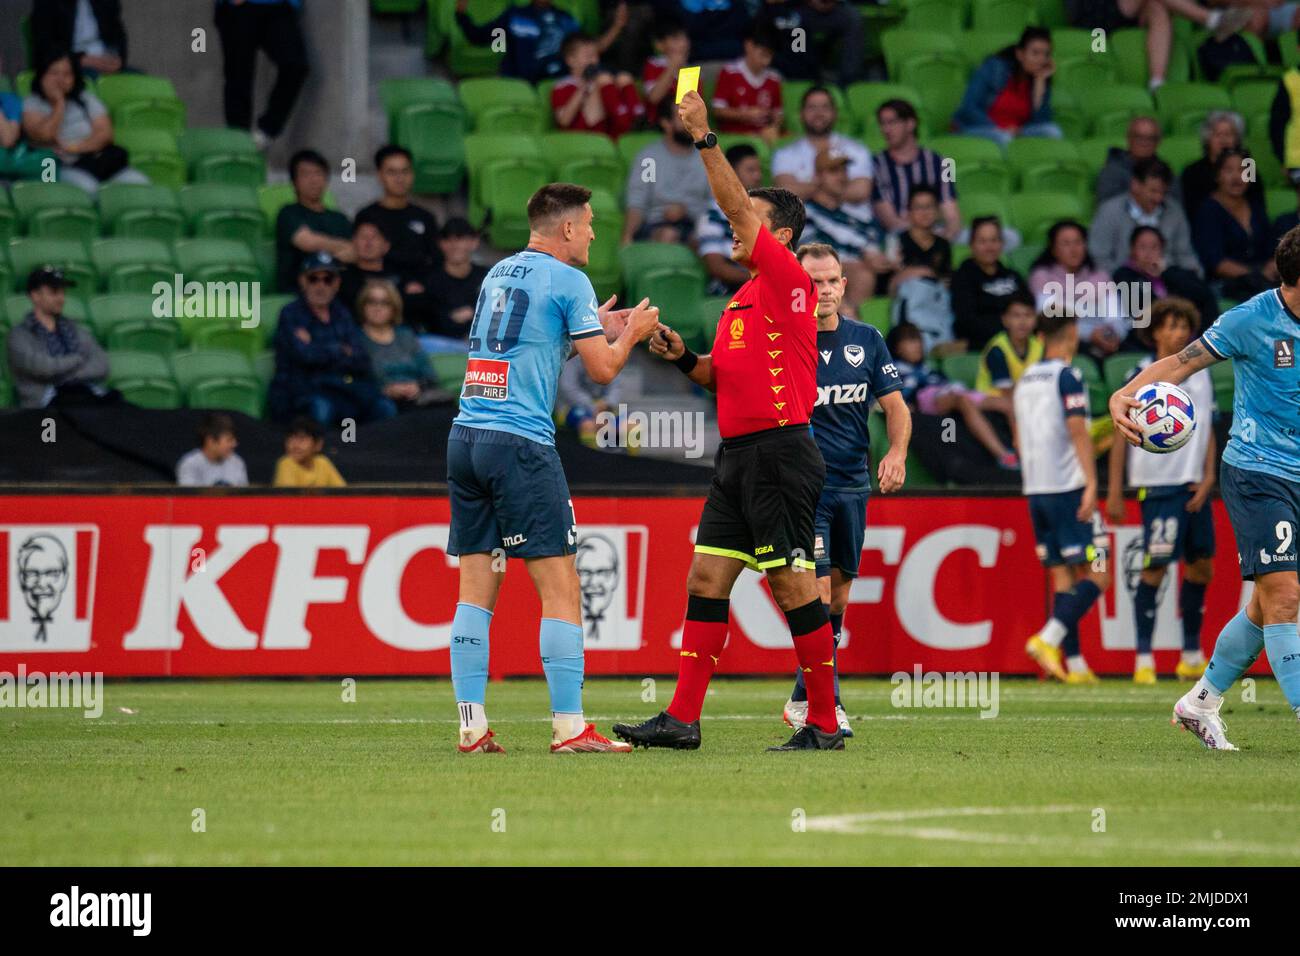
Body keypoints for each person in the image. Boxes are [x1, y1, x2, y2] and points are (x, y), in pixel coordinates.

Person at [615, 90, 843, 752]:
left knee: (791, 582)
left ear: (782, 236)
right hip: (739, 455)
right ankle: (684, 719)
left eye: (754, 220)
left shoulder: (787, 280)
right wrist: (683, 355)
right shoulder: (746, 297)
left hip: (780, 453)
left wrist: (704, 136)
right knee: (706, 578)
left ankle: (824, 722)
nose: (741, 228)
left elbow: (735, 207)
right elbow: (723, 377)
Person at [446, 182, 660, 755]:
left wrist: (588, 331)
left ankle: (471, 725)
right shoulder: (570, 280)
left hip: (467, 438)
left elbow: (527, 347)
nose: (593, 232)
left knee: (475, 591)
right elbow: (603, 373)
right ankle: (570, 728)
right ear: (566, 228)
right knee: (562, 588)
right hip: (520, 445)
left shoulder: (498, 273)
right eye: (588, 223)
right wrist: (631, 334)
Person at [1109, 226, 1300, 750]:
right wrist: (1125, 394)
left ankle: (1200, 702)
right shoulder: (1249, 320)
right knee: (1285, 596)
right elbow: (1179, 363)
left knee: (1264, 608)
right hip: (1259, 471)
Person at [779, 242, 910, 738]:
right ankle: (827, 705)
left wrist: (895, 454)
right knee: (812, 595)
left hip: (854, 486)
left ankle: (800, 698)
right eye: (814, 282)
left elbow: (896, 407)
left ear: (843, 284)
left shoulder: (866, 339)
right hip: (805, 489)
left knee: (836, 601)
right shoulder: (784, 340)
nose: (824, 290)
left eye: (832, 281)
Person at [1105, 298, 1215, 685]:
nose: (1179, 333)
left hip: (1193, 487)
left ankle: (1189, 654)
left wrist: (1207, 479)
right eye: (1171, 326)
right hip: (1157, 487)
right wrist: (1116, 490)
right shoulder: (1139, 376)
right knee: (1155, 567)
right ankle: (1144, 657)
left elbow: (1208, 431)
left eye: (1184, 326)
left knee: (1202, 567)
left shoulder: (1199, 376)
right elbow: (1120, 437)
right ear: (1155, 332)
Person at [1019, 312, 1110, 685]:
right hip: (1068, 488)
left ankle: (1073, 664)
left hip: (1036, 489)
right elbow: (1077, 430)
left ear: (1040, 335)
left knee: (1062, 575)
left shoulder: (1026, 379)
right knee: (1100, 573)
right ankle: (1049, 638)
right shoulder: (1067, 375)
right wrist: (1091, 482)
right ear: (1072, 334)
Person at [267, 252, 396, 427]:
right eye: (314, 278)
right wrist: (341, 349)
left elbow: (361, 359)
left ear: (336, 284)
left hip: (340, 388)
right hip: (302, 391)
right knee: (322, 408)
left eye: (328, 279)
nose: (321, 286)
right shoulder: (291, 313)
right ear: (303, 281)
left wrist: (318, 347)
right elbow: (305, 357)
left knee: (384, 407)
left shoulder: (342, 313)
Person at [888, 322, 1019, 470]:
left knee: (1006, 404)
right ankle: (1003, 456)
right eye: (910, 341)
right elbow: (893, 396)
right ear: (897, 347)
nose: (918, 345)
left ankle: (1021, 452)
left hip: (952, 390)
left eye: (918, 339)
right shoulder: (893, 370)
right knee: (962, 400)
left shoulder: (927, 367)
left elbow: (944, 382)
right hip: (928, 398)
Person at [21, 50, 148, 194]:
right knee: (88, 189)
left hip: (90, 160)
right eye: (54, 73)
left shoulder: (86, 100)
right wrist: (59, 103)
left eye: (67, 74)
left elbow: (105, 134)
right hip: (51, 165)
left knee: (139, 183)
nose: (60, 79)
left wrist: (74, 148)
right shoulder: (31, 103)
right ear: (41, 75)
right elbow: (45, 136)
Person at [1065, 1, 1250, 93]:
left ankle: (1157, 83)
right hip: (1092, 16)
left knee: (1158, 8)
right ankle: (1212, 20)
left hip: (1125, 10)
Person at [7, 266, 115, 409]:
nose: (61, 298)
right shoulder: (19, 335)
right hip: (46, 404)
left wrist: (66, 377)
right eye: (54, 292)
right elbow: (43, 368)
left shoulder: (74, 329)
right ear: (35, 295)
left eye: (63, 292)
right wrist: (77, 359)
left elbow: (102, 365)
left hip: (84, 395)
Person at [801, 149, 893, 307]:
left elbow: (873, 245)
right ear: (817, 177)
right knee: (862, 274)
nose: (842, 177)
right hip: (818, 278)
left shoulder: (859, 214)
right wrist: (861, 257)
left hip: (864, 275)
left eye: (844, 170)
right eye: (833, 171)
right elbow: (813, 255)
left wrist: (879, 258)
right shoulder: (804, 214)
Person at [454, 0, 627, 84]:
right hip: (522, 83)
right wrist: (461, 14)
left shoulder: (566, 19)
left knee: (615, 76)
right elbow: (479, 37)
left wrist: (617, 27)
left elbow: (591, 49)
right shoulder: (515, 16)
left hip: (561, 82)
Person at [214, 0, 309, 151]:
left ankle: (267, 130)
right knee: (238, 77)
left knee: (295, 65)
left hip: (278, 6)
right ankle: (238, 143)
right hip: (239, 8)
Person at [1030, 220, 1129, 362]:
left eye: (1078, 242)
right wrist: (1090, 335)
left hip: (1108, 340)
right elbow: (1050, 319)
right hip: (1069, 341)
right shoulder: (1043, 277)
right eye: (1066, 243)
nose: (1073, 249)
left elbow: (1117, 317)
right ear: (1053, 249)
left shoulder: (1100, 276)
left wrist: (1113, 335)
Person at [1089, 157, 1200, 276]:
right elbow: (1098, 258)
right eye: (1153, 191)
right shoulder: (1109, 211)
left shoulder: (1174, 211)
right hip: (1122, 284)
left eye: (1163, 192)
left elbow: (1184, 255)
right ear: (1135, 185)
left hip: (1168, 282)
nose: (1159, 198)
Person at [1192, 148, 1278, 301]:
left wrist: (1272, 265)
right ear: (1217, 175)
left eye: (1242, 170)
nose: (1237, 177)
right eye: (1229, 170)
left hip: (1262, 279)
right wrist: (1256, 273)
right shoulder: (1208, 210)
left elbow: (1270, 246)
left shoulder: (1255, 205)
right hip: (1224, 284)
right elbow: (1216, 263)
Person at [953, 27, 1061, 146]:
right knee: (1004, 138)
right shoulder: (994, 68)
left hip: (1015, 133)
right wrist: (998, 129)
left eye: (1046, 54)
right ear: (1020, 54)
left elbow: (1041, 121)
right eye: (1035, 53)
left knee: (1052, 131)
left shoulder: (1040, 79)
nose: (1041, 60)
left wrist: (1040, 86)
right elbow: (969, 107)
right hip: (982, 128)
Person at [621, 106, 712, 244]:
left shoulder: (708, 158)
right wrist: (627, 236)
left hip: (696, 225)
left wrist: (688, 211)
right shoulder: (649, 158)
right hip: (656, 224)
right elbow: (637, 202)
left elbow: (715, 203)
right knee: (669, 234)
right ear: (666, 123)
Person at [871, 99, 961, 238]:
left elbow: (952, 216)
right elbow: (890, 221)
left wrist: (944, 238)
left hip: (937, 232)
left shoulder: (944, 162)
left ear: (910, 124)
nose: (886, 130)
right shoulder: (876, 165)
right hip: (900, 234)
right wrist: (923, 238)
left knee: (1003, 236)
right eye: (882, 124)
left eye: (892, 122)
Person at [356, 279, 444, 412]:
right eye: (372, 302)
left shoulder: (405, 335)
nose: (377, 308)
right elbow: (359, 381)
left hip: (417, 397)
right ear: (363, 305)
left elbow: (430, 374)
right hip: (381, 402)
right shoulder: (355, 339)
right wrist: (387, 389)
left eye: (385, 303)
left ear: (394, 308)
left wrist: (417, 386)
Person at [1112, 224, 1220, 332]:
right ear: (1132, 250)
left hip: (1186, 332)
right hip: (1146, 336)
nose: (1148, 253)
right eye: (1142, 247)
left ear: (1162, 250)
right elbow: (1145, 307)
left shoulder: (1172, 272)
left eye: (1154, 247)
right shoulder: (1124, 275)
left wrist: (1166, 273)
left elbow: (1203, 294)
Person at [772, 86, 872, 202]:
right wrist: (832, 185)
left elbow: (860, 191)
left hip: (853, 219)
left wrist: (809, 187)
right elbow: (785, 194)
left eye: (825, 107)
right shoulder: (785, 154)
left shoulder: (857, 149)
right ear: (801, 114)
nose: (819, 113)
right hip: (807, 219)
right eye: (812, 107)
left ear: (835, 113)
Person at [355, 145, 441, 279]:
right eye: (392, 172)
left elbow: (436, 260)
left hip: (417, 292)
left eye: (405, 171)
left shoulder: (425, 217)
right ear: (379, 175)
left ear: (412, 174)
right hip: (376, 291)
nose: (399, 178)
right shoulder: (367, 216)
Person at [275, 149, 354, 293]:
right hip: (298, 294)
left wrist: (327, 248)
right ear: (294, 182)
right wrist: (340, 248)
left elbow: (356, 252)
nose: (313, 180)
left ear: (326, 179)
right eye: (306, 174)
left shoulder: (340, 219)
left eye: (318, 173)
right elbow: (308, 242)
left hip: (339, 293)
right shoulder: (288, 213)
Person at [952, 216, 1031, 351]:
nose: (989, 247)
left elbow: (1029, 308)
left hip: (1020, 339)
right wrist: (1010, 330)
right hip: (983, 343)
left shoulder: (1013, 275)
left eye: (994, 240)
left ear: (1001, 243)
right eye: (982, 241)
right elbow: (967, 321)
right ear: (972, 245)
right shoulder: (963, 277)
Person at [696, 143, 763, 295]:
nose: (758, 176)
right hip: (728, 294)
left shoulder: (765, 210)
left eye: (758, 170)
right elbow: (717, 267)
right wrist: (761, 279)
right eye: (751, 170)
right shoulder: (712, 215)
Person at [552, 33, 643, 137]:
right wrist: (584, 87)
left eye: (595, 55)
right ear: (570, 60)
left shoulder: (600, 81)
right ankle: (627, 126)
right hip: (581, 134)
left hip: (607, 130)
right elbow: (564, 121)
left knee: (624, 77)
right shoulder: (563, 85)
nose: (593, 60)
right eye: (588, 56)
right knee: (603, 79)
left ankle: (638, 118)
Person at [758, 0, 865, 87]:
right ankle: (799, 80)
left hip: (832, 9)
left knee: (852, 18)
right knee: (794, 23)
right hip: (796, 8)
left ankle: (848, 82)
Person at [710, 26, 783, 141]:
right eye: (762, 54)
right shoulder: (729, 72)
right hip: (735, 136)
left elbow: (778, 113)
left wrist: (773, 127)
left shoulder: (774, 78)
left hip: (763, 137)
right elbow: (717, 110)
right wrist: (744, 115)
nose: (766, 61)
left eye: (770, 56)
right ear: (749, 46)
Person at [1184, 112, 1255, 224]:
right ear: (1207, 139)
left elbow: (1257, 206)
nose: (1223, 140)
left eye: (1229, 134)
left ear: (1237, 139)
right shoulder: (1192, 173)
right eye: (1217, 135)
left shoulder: (1249, 166)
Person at [423, 218, 489, 338]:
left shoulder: (489, 276)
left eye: (460, 239)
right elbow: (434, 321)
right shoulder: (429, 279)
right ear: (440, 244)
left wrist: (472, 312)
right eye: (448, 240)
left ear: (474, 242)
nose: (454, 246)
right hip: (441, 346)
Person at [32, 0, 128, 77]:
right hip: (70, 64)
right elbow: (45, 46)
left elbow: (118, 35)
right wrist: (80, 60)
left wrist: (118, 59)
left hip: (104, 61)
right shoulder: (48, 3)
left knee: (139, 82)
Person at [1096, 116, 1179, 204]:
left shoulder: (1167, 172)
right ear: (1128, 139)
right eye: (1138, 137)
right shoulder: (1111, 172)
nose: (1144, 143)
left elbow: (1175, 207)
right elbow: (1107, 210)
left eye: (1151, 138)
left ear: (1158, 142)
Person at [889, 184, 952, 295]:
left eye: (929, 206)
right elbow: (892, 282)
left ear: (937, 210)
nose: (924, 212)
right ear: (909, 211)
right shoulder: (897, 241)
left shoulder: (943, 244)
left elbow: (946, 279)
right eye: (918, 207)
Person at [976, 291, 1042, 397]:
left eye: (1028, 315)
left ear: (1036, 319)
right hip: (992, 407)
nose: (1023, 321)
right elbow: (1007, 393)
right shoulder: (997, 349)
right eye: (1016, 316)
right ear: (1005, 320)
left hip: (1026, 403)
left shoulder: (1040, 346)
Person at [339, 221, 403, 312]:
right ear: (353, 242)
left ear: (386, 246)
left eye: (374, 237)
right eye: (363, 237)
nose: (368, 243)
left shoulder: (400, 275)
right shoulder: (342, 278)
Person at [176, 412, 249, 487]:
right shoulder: (190, 464)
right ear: (211, 441)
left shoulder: (237, 462)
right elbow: (189, 497)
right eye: (229, 440)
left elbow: (245, 495)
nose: (234, 444)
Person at [273, 416, 346, 488]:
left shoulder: (323, 462)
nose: (295, 445)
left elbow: (343, 491)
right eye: (291, 439)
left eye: (302, 439)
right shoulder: (286, 463)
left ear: (318, 444)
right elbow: (291, 498)